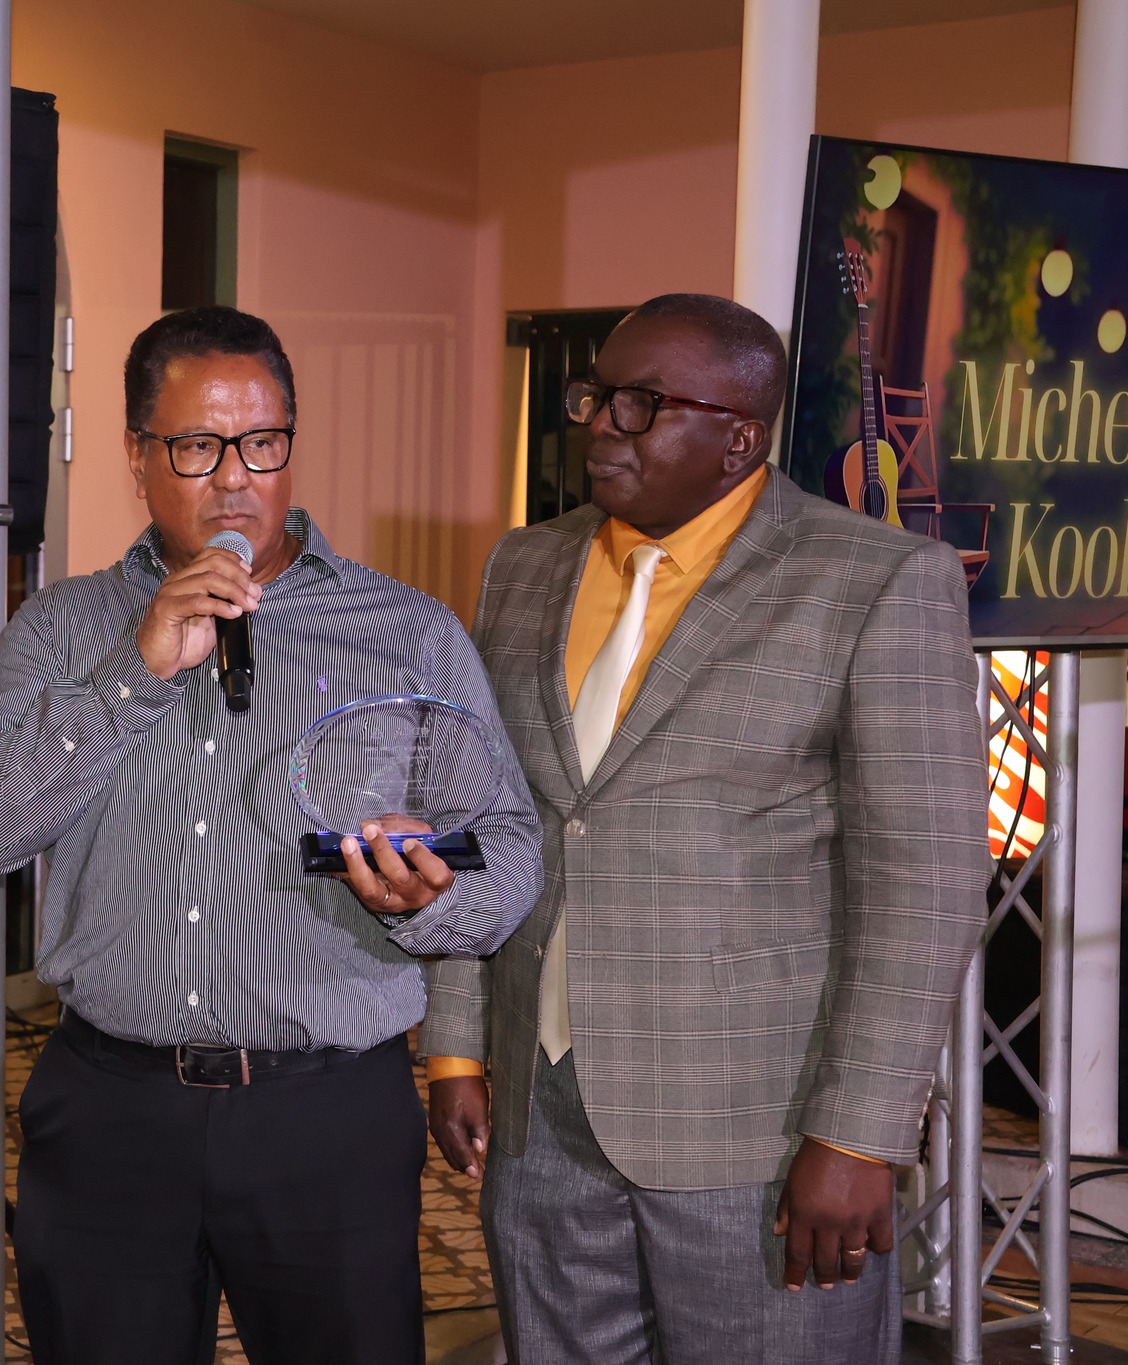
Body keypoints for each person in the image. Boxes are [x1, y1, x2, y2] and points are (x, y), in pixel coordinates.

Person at [0, 305, 543, 1365]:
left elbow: (505, 845)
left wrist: (432, 895)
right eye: (195, 446)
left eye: (262, 443)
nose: (234, 479)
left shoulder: (404, 632)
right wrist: (134, 670)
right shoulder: (61, 628)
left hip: (325, 1117)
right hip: (110, 1109)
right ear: (135, 454)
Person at [422, 293, 987, 1364]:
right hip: (537, 1111)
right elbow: (481, 814)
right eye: (595, 396)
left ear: (737, 437)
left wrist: (856, 1132)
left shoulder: (871, 581)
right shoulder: (523, 568)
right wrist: (455, 1041)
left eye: (640, 406)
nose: (600, 424)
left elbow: (923, 880)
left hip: (760, 1131)